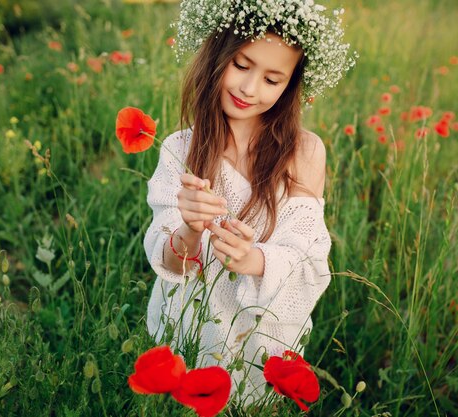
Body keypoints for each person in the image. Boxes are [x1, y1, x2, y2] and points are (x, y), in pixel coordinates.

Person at [143, 0, 356, 404]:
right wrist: (189, 228)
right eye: (241, 65)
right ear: (216, 54)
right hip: (189, 330)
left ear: (291, 85)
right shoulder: (179, 149)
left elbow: (309, 258)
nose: (249, 89)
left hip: (256, 343)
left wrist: (253, 260)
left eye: (273, 79)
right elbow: (168, 262)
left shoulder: (304, 152)